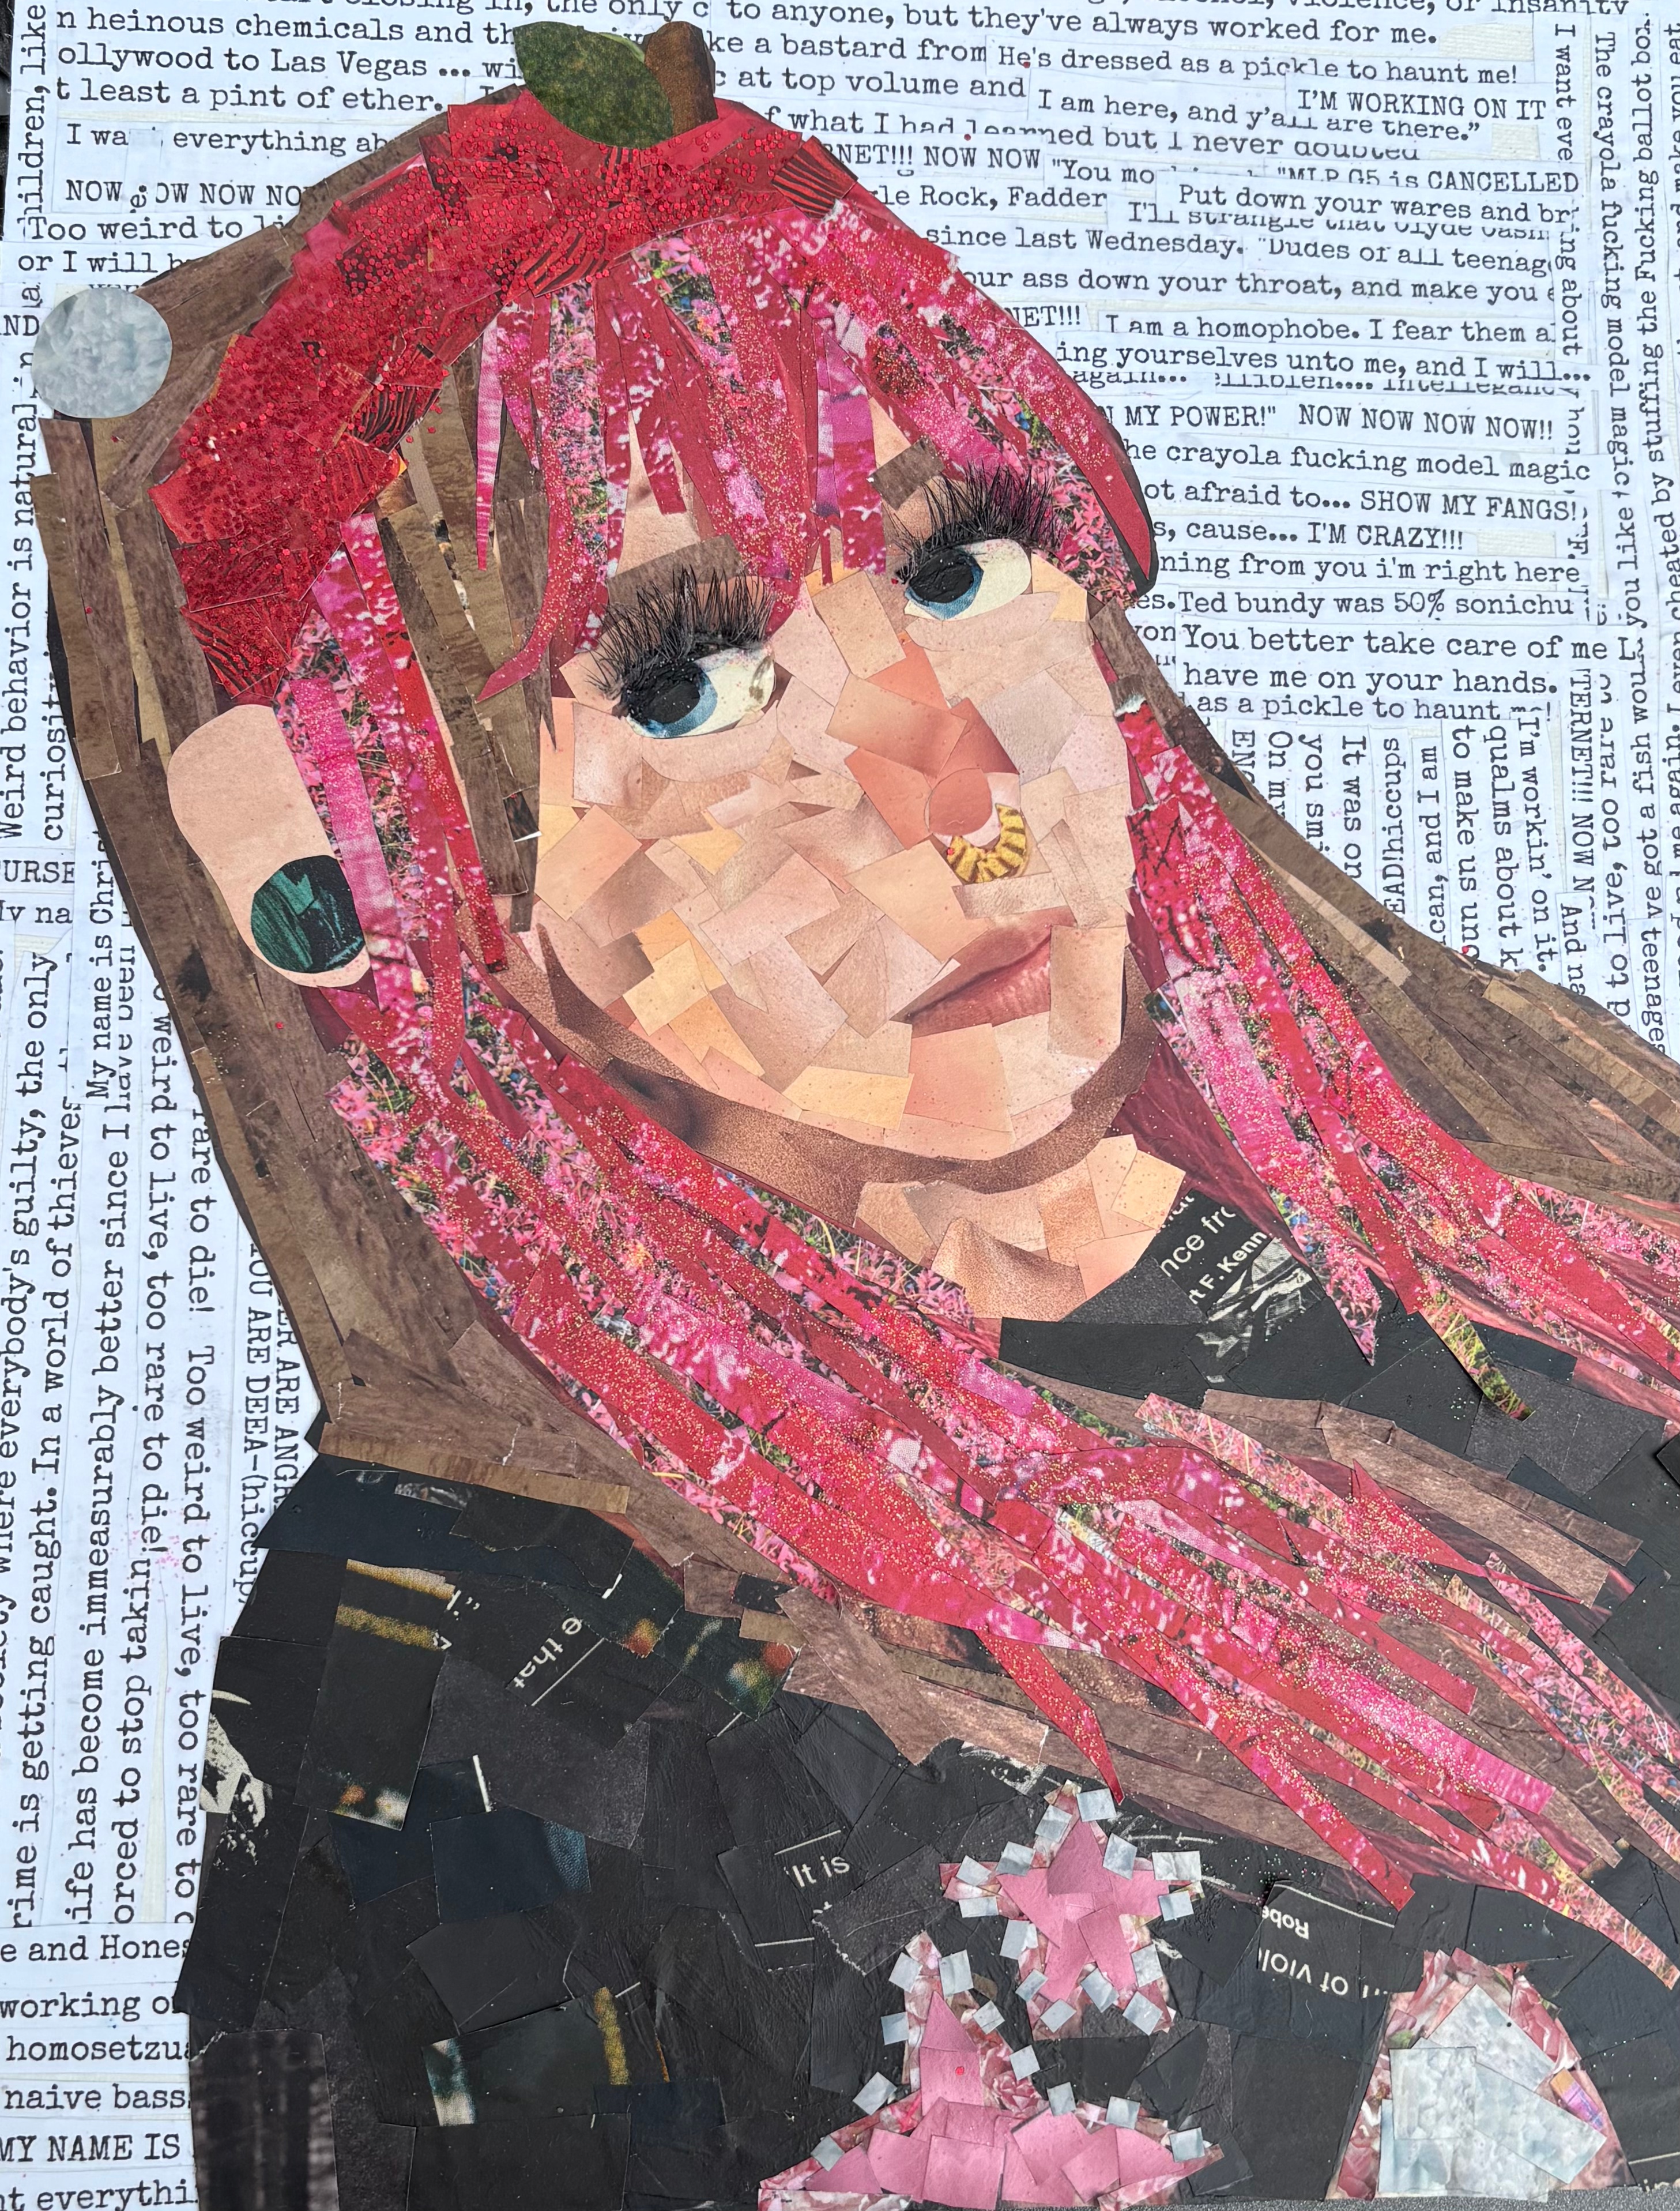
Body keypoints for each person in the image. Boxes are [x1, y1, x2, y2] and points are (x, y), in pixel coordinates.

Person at [47, 25, 1680, 1961]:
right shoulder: (457, 1682)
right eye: (687, 693)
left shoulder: (1561, 1229)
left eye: (959, 570)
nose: (952, 798)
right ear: (400, 881)